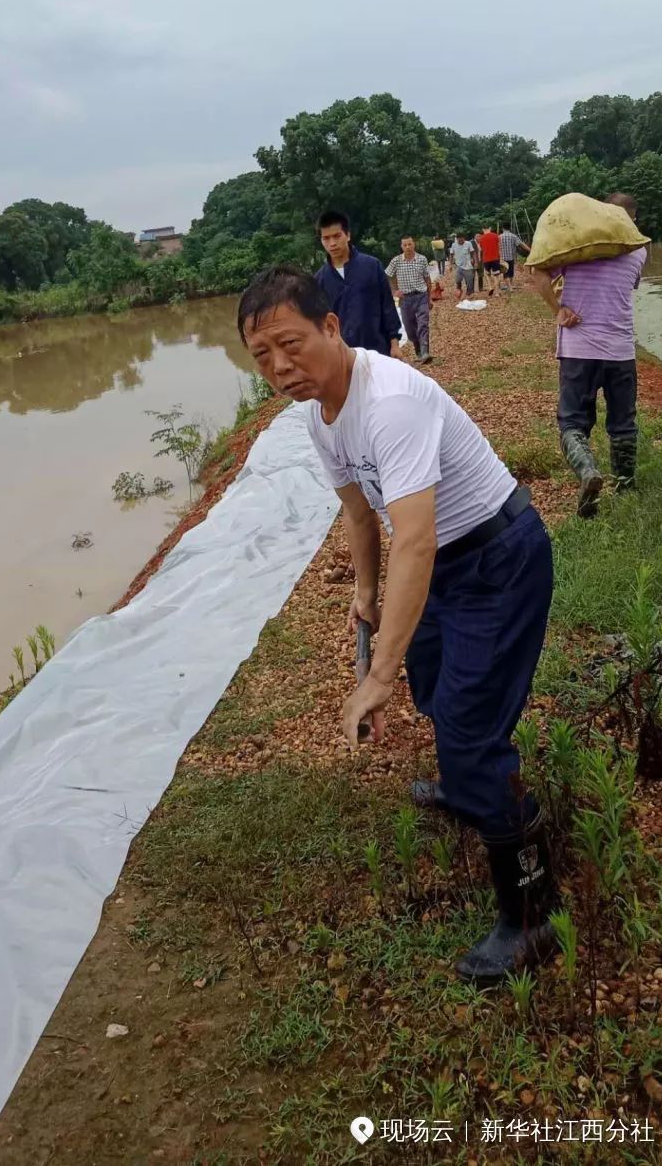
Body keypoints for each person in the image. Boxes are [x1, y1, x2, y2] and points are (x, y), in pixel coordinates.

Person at [238, 267, 558, 983]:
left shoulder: (390, 402)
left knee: (472, 730)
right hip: (443, 565)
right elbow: (360, 513)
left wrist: (376, 673)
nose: (281, 368)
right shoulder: (320, 414)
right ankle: (462, 785)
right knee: (435, 689)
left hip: (496, 560)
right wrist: (367, 591)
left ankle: (533, 916)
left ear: (331, 327)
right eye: (262, 357)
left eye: (291, 345)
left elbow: (413, 536)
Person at [532, 193, 646, 517]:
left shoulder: (576, 247)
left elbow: (539, 274)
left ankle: (587, 472)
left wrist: (559, 309)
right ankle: (625, 485)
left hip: (578, 349)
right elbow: (630, 285)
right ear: (631, 221)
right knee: (623, 423)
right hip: (621, 351)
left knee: (572, 422)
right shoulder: (639, 251)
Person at [315, 210, 402, 358]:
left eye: (337, 236)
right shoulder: (319, 280)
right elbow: (321, 323)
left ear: (347, 235)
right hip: (343, 357)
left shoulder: (372, 266)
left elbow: (387, 306)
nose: (332, 243)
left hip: (378, 350)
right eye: (326, 238)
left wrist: (394, 344)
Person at [385, 235, 433, 364]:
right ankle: (418, 347)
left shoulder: (422, 259)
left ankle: (425, 352)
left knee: (423, 324)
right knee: (410, 329)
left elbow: (427, 279)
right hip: (406, 299)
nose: (408, 247)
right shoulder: (396, 261)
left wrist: (429, 298)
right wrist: (394, 290)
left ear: (414, 244)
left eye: (410, 244)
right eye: (405, 245)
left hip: (421, 295)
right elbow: (388, 276)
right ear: (401, 247)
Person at [498, 228, 531, 294]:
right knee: (511, 272)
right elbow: (521, 244)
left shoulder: (499, 237)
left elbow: (496, 246)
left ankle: (510, 287)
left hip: (503, 258)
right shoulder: (513, 236)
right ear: (509, 228)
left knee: (506, 273)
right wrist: (530, 250)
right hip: (511, 257)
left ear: (503, 228)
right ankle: (510, 286)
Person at [449, 233, 476, 301]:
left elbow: (472, 252)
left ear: (464, 239)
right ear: (457, 239)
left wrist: (473, 259)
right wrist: (450, 265)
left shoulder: (468, 244)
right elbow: (451, 255)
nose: (461, 241)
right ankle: (459, 292)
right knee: (458, 280)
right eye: (459, 240)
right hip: (458, 266)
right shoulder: (454, 245)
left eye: (462, 240)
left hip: (468, 266)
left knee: (469, 281)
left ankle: (469, 293)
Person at [479, 226, 502, 296]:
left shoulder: (481, 238)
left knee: (487, 274)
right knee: (496, 276)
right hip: (495, 258)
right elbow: (499, 247)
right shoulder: (496, 236)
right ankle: (497, 292)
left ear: (483, 229)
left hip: (486, 259)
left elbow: (481, 249)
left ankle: (490, 287)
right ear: (490, 228)